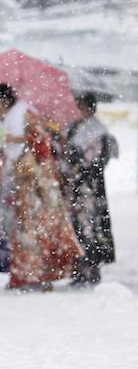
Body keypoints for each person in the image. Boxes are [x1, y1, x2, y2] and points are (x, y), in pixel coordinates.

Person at [0, 83, 83, 291]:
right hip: (22, 180)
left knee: (33, 228)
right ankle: (24, 273)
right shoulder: (12, 117)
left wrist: (16, 139)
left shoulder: (24, 113)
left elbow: (41, 140)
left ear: (5, 101)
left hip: (34, 181)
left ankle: (35, 274)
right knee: (22, 228)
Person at [60, 93, 118, 285]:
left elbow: (97, 161)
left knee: (90, 226)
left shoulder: (96, 131)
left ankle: (91, 268)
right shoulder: (72, 128)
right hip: (73, 186)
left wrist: (75, 160)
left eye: (80, 106)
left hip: (88, 186)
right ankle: (78, 268)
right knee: (75, 226)